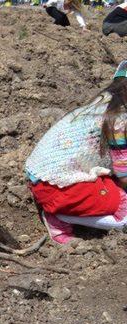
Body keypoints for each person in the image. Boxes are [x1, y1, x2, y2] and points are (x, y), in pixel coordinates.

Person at [25, 61, 127, 244]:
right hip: (56, 186)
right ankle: (60, 217)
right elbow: (123, 172)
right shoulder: (118, 119)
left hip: (48, 178)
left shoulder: (102, 103)